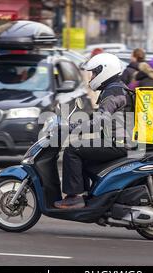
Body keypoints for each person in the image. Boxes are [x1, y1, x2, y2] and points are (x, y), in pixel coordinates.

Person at [54, 53, 132, 209]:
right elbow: (100, 116)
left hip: (117, 143)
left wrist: (73, 128)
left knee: (73, 150)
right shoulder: (117, 88)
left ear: (105, 71)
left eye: (94, 73)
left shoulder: (112, 92)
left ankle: (73, 198)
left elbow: (100, 120)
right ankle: (92, 197)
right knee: (84, 155)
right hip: (119, 141)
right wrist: (76, 123)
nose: (92, 77)